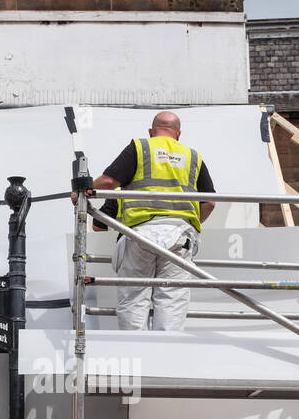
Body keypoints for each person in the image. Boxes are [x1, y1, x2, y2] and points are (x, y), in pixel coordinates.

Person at [74, 111, 216, 331]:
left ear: (151, 132)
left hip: (140, 235)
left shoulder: (141, 148)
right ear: (178, 134)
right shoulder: (193, 156)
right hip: (179, 237)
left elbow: (110, 181)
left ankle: (137, 355)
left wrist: (82, 190)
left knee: (134, 300)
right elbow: (210, 203)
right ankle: (165, 359)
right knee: (172, 301)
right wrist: (190, 224)